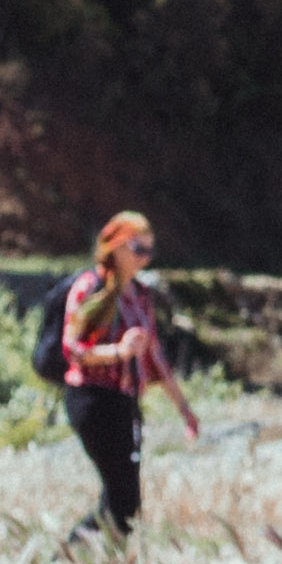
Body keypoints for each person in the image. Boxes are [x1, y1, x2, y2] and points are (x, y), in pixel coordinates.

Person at [55, 209, 200, 537]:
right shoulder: (89, 287)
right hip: (91, 399)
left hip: (125, 400)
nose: (145, 259)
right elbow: (72, 350)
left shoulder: (142, 295)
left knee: (127, 503)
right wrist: (117, 351)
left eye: (150, 251)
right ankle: (68, 556)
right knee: (121, 496)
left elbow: (155, 358)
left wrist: (184, 409)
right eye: (139, 250)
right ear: (116, 247)